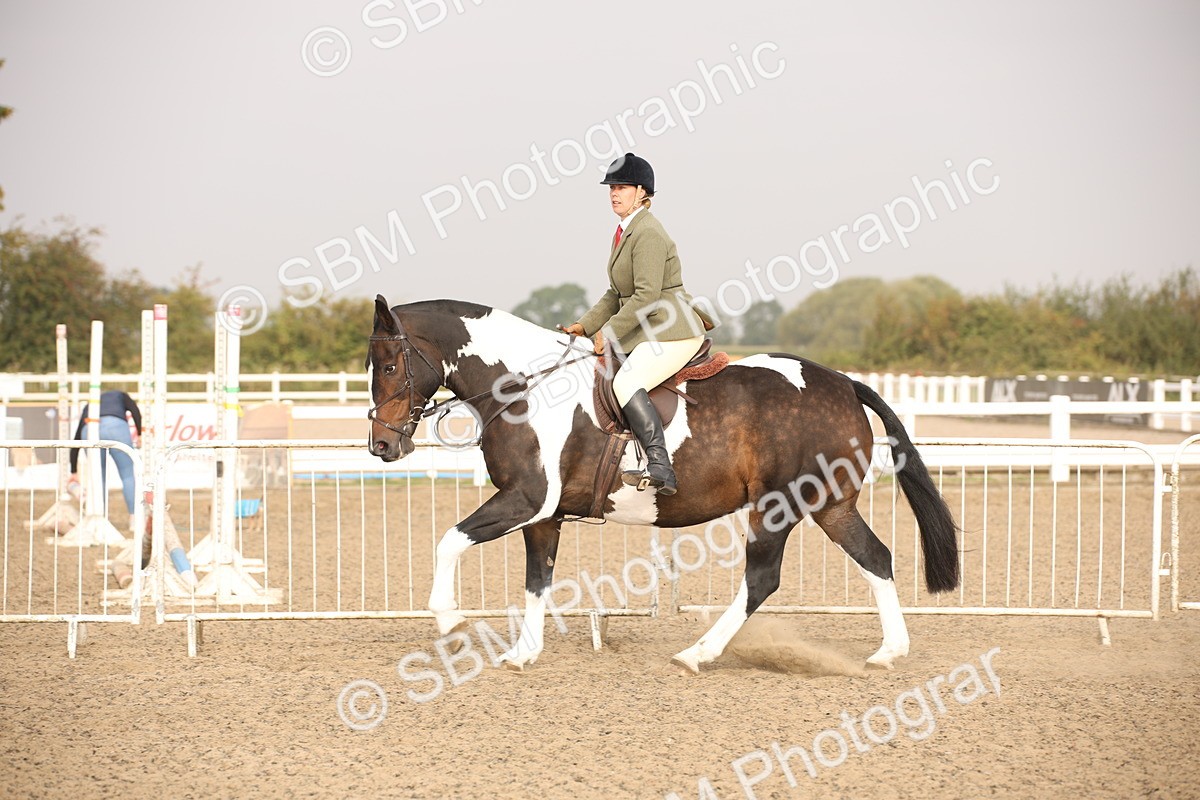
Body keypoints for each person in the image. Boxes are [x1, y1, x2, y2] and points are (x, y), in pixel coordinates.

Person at [563, 153, 714, 495]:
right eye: (611, 187)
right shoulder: (624, 231)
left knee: (627, 381)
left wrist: (610, 332)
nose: (614, 194)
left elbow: (645, 296)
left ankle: (661, 466)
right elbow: (616, 293)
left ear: (642, 192)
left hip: (673, 328)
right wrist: (584, 326)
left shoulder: (647, 233)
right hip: (652, 327)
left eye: (622, 187)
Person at [69, 389, 142, 523]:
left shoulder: (90, 404)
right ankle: (134, 518)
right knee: (127, 475)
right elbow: (135, 411)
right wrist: (140, 433)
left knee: (98, 478)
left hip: (89, 428)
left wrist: (73, 470)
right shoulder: (121, 394)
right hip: (116, 427)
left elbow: (76, 439)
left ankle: (99, 518)